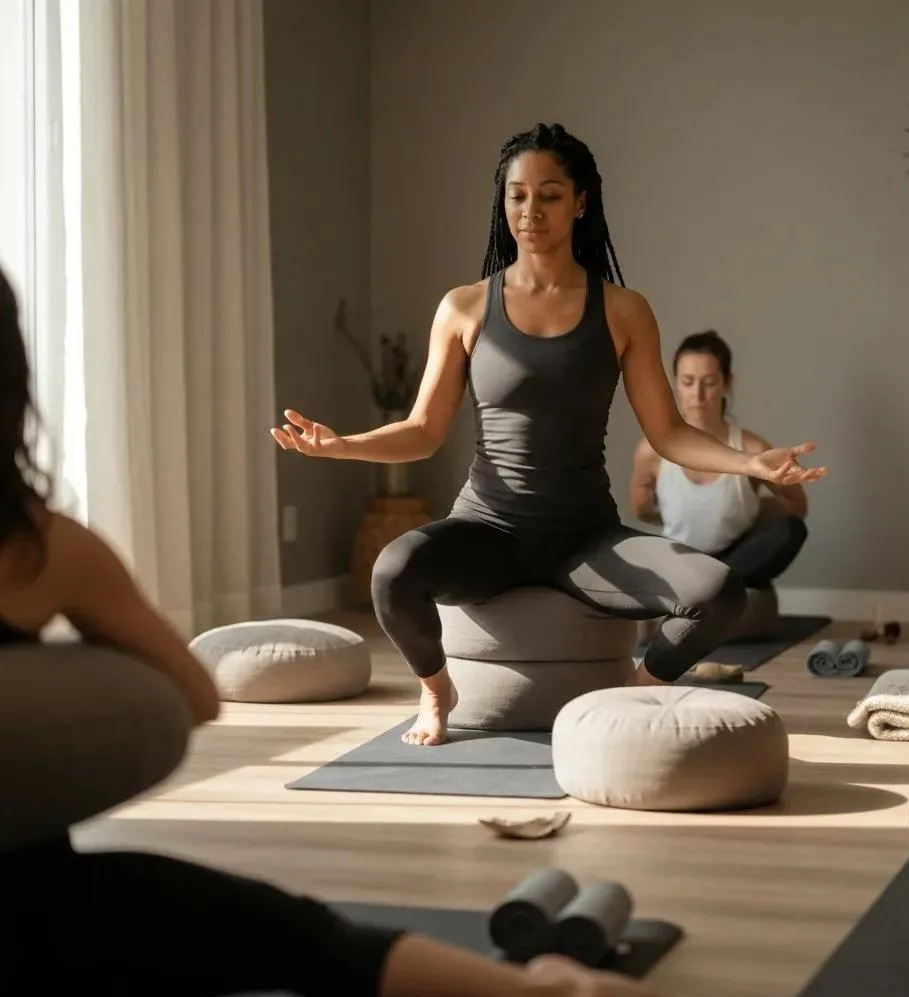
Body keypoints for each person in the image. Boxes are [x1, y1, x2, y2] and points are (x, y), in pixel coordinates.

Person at [0, 265, 690, 997]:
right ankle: (555, 993)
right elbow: (190, 693)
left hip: (43, 923)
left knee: (292, 935)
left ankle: (557, 989)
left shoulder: (615, 311)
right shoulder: (37, 550)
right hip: (42, 917)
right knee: (301, 936)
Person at [272, 122, 827, 748]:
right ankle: (436, 689)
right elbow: (424, 431)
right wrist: (341, 445)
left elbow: (668, 434)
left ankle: (634, 693)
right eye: (517, 195)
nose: (530, 211)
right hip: (488, 530)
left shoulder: (622, 310)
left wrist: (754, 466)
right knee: (392, 572)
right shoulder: (464, 307)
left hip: (585, 537)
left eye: (550, 194)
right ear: (503, 201)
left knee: (721, 592)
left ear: (581, 201)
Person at [630, 331, 810, 589]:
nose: (698, 395)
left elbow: (797, 505)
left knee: (792, 531)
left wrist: (760, 514)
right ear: (676, 384)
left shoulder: (753, 448)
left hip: (735, 559)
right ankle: (710, 591)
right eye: (688, 382)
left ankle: (716, 589)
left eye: (710, 382)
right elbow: (642, 509)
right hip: (679, 562)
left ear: (727, 384)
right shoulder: (651, 450)